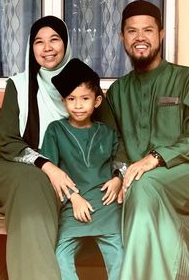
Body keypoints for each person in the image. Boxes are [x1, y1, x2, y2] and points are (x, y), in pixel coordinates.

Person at [0, 16, 119, 280]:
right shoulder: (19, 85)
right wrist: (48, 167)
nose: (46, 48)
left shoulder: (84, 83)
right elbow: (9, 141)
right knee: (34, 184)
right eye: (38, 42)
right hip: (19, 164)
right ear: (31, 48)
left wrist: (118, 177)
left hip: (69, 174)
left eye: (54, 39)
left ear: (66, 43)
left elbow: (114, 139)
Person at [106, 0, 189, 280]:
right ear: (122, 38)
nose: (140, 37)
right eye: (132, 31)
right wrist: (120, 173)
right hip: (140, 182)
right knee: (140, 188)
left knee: (143, 186)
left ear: (161, 34)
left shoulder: (188, 80)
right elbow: (116, 144)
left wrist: (153, 158)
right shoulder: (117, 92)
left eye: (148, 30)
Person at [40, 58, 124, 280]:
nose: (78, 105)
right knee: (60, 255)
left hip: (106, 205)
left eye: (85, 98)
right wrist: (73, 197)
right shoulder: (55, 130)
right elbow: (50, 172)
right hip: (72, 206)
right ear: (63, 101)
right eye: (72, 99)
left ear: (96, 102)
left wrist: (117, 179)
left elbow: (120, 162)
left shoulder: (106, 132)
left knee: (120, 256)